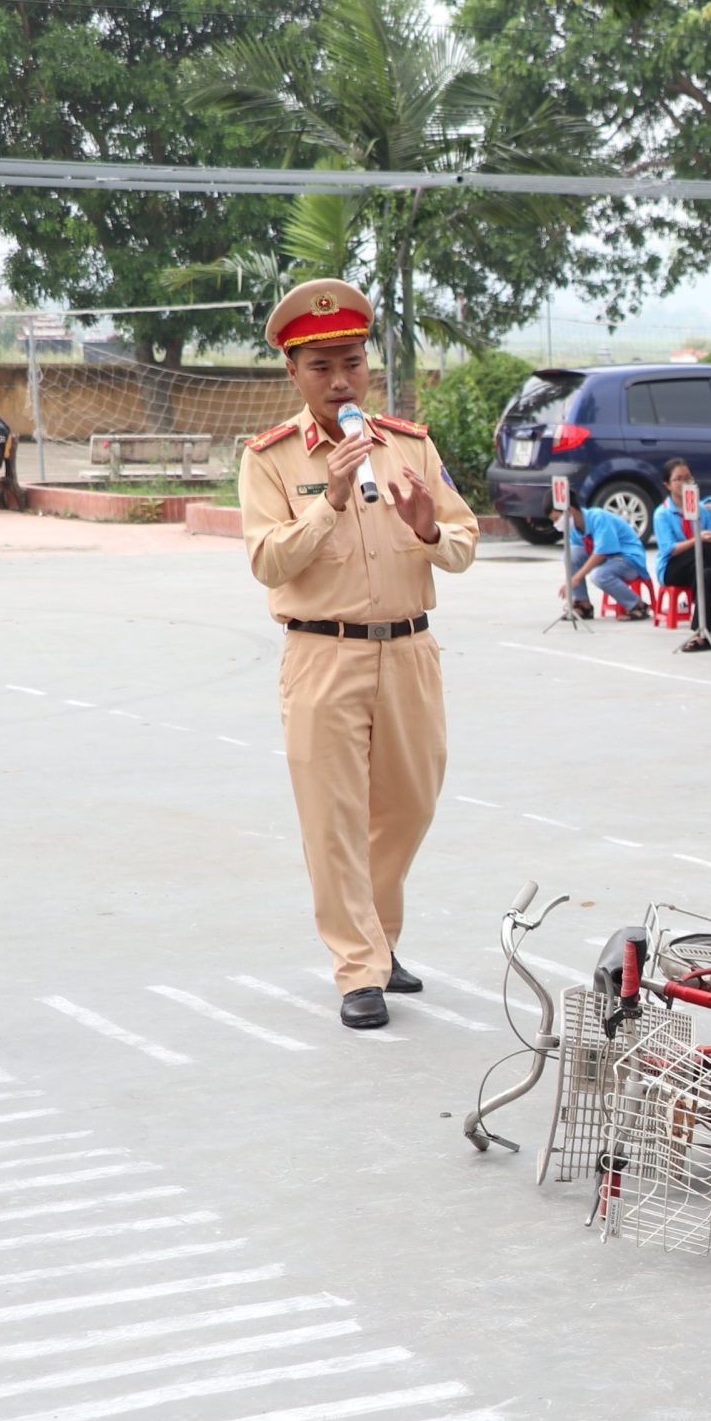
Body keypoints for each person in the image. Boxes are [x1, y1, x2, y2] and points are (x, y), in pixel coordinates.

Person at [239, 278, 476, 1029]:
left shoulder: (408, 444)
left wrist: (428, 528)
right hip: (322, 654)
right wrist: (329, 500)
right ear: (293, 372)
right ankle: (358, 968)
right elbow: (268, 561)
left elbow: (464, 543)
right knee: (333, 816)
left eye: (352, 362)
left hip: (409, 650)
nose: (340, 381)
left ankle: (377, 937)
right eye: (321, 367)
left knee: (408, 804)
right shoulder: (270, 459)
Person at [560, 495, 652, 621]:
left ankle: (638, 606)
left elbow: (601, 553)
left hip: (627, 559)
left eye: (557, 518)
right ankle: (583, 604)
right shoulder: (573, 528)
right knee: (570, 555)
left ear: (570, 510)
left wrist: (576, 578)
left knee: (599, 575)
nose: (556, 523)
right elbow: (579, 551)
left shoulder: (598, 517)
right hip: (609, 560)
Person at [650, 457, 711, 611]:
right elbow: (669, 549)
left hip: (697, 563)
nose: (684, 482)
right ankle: (704, 607)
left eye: (688, 478)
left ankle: (703, 609)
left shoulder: (700, 509)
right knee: (702, 550)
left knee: (705, 557)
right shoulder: (662, 514)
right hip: (672, 567)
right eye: (678, 479)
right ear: (667, 485)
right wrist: (698, 539)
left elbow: (710, 541)